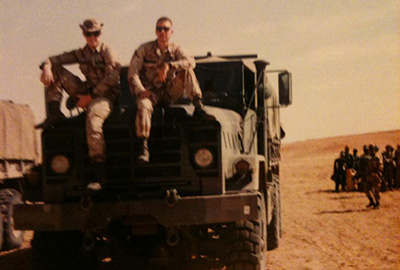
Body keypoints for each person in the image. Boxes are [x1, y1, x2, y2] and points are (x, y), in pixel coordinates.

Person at [37, 18, 121, 190]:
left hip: (105, 96)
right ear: (84, 34)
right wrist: (46, 67)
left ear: (100, 33)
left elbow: (112, 78)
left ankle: (99, 174)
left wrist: (89, 97)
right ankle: (54, 113)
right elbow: (53, 59)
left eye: (96, 33)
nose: (92, 37)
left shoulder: (107, 52)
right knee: (56, 69)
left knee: (93, 121)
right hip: (87, 90)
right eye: (89, 34)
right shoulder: (82, 53)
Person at [128, 17, 214, 163]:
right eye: (159, 29)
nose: (163, 32)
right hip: (150, 93)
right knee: (143, 105)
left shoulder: (176, 50)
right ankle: (143, 145)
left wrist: (170, 65)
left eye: (166, 29)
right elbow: (132, 73)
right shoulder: (144, 50)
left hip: (170, 92)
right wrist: (140, 90)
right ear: (155, 31)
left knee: (187, 71)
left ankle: (198, 106)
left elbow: (191, 62)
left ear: (171, 31)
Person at [365, 144, 383, 209]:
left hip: (376, 176)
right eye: (370, 149)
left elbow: (381, 167)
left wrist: (376, 172)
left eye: (371, 149)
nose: (370, 151)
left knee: (376, 191)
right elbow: (368, 167)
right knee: (366, 189)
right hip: (370, 176)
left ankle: (377, 204)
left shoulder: (377, 157)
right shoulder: (370, 158)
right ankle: (372, 201)